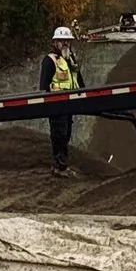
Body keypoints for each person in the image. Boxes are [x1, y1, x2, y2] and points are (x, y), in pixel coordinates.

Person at [40, 25, 82, 175]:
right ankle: (59, 166)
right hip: (56, 105)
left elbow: (78, 81)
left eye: (67, 41)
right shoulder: (50, 60)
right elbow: (44, 86)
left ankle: (62, 164)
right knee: (59, 135)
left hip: (68, 105)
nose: (65, 44)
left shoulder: (70, 60)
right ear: (55, 42)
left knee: (66, 134)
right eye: (62, 41)